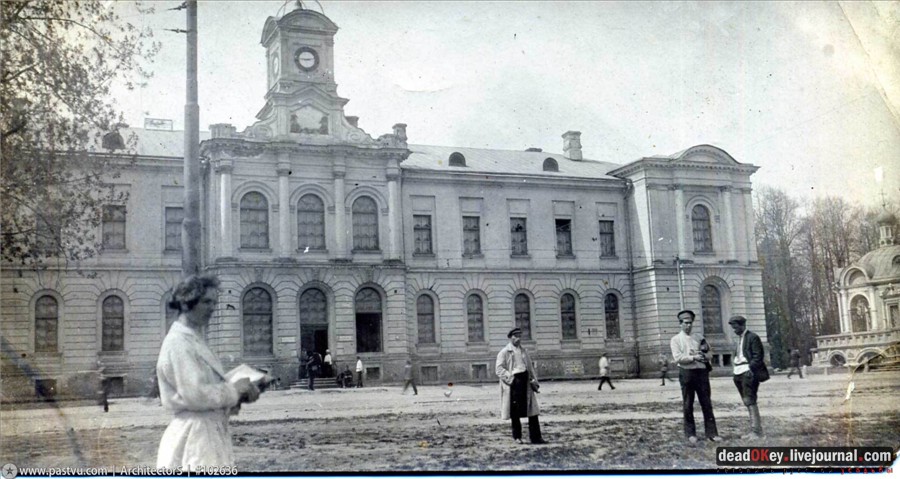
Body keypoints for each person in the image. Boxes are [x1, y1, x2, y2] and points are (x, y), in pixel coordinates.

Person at [156, 275, 260, 470]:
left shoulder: (194, 339)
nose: (212, 308)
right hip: (194, 437)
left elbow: (205, 390)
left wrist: (241, 394)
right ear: (187, 304)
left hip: (208, 433)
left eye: (214, 302)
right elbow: (195, 396)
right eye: (206, 302)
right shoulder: (179, 343)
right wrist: (234, 391)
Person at [670, 309, 721, 443]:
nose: (688, 326)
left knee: (706, 403)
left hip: (701, 373)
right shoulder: (675, 339)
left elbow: (710, 353)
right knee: (688, 404)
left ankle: (712, 433)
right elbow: (677, 358)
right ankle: (690, 434)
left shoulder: (699, 337)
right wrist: (693, 357)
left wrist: (704, 356)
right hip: (687, 373)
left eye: (690, 323)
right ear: (680, 324)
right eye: (686, 323)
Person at [496, 328, 546, 444]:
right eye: (515, 336)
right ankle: (517, 437)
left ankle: (536, 437)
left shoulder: (524, 351)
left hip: (525, 382)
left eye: (520, 336)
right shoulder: (504, 352)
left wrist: (534, 381)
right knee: (515, 411)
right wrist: (511, 379)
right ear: (510, 337)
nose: (518, 338)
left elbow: (530, 368)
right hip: (513, 382)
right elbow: (499, 369)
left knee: (532, 410)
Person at [729, 315, 769, 439]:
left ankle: (756, 431)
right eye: (733, 328)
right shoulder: (739, 339)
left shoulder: (753, 337)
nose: (734, 330)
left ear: (742, 325)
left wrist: (749, 369)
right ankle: (754, 430)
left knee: (750, 400)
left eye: (736, 327)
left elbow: (758, 356)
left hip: (748, 372)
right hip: (738, 372)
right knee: (747, 401)